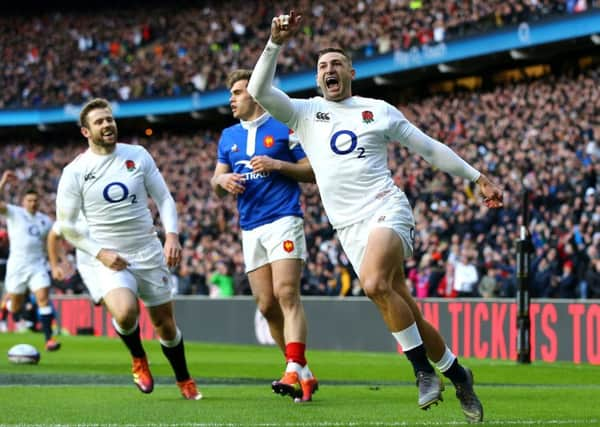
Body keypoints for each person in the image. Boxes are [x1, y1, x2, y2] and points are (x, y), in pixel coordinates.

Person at [247, 11, 504, 422]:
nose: (330, 70)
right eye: (322, 66)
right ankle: (459, 374)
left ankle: (422, 373)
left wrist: (478, 178)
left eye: (336, 64)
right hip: (347, 228)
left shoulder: (377, 110)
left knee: (372, 282)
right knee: (408, 310)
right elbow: (259, 89)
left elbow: (429, 148)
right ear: (317, 79)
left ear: (351, 71)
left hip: (386, 207)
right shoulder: (303, 112)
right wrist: (275, 41)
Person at [55, 98, 201, 400]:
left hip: (148, 249)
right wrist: (100, 253)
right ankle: (138, 358)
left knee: (165, 325)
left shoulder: (137, 155)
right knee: (124, 313)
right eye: (99, 122)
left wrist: (171, 236)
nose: (107, 124)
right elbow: (66, 225)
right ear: (86, 132)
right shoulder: (75, 171)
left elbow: (164, 199)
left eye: (109, 119)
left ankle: (183, 377)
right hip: (110, 256)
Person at [210, 69, 318, 402]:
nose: (232, 99)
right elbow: (216, 181)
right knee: (267, 304)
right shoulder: (228, 135)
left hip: (283, 218)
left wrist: (276, 165)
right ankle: (303, 373)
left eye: (238, 92)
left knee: (286, 292)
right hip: (250, 226)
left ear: (255, 95)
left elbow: (311, 171)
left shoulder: (283, 125)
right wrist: (222, 183)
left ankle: (292, 368)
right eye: (231, 93)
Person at [0, 171, 61, 350]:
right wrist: (3, 182)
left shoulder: (45, 221)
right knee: (15, 308)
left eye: (35, 200)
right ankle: (8, 304)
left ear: (39, 202)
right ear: (23, 202)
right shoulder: (14, 212)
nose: (33, 203)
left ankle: (49, 339)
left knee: (43, 297)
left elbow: (53, 242)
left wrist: (59, 261)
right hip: (17, 266)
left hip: (37, 264)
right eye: (29, 200)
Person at [47, 215, 104, 305]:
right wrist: (55, 266)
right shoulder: (74, 214)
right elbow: (54, 236)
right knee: (103, 300)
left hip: (110, 261)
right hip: (88, 265)